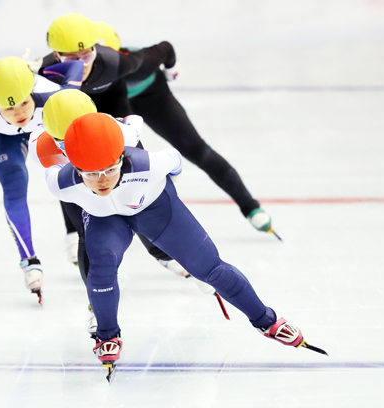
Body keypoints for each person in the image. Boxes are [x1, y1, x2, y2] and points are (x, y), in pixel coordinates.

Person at [44, 113, 326, 378]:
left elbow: (175, 161)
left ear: (121, 158)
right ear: (76, 169)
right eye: (91, 174)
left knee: (209, 269)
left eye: (109, 170)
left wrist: (166, 189)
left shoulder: (148, 164)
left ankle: (267, 320)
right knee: (101, 269)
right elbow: (46, 156)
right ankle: (107, 335)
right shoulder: (60, 183)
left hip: (156, 210)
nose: (102, 180)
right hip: (106, 220)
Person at [39, 14, 277, 238]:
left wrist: (172, 70)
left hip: (151, 94)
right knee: (83, 158)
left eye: (88, 57)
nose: (82, 66)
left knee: (194, 148)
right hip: (109, 102)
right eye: (72, 58)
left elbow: (166, 49)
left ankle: (250, 206)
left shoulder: (128, 63)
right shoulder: (60, 70)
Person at [28, 89, 216, 335]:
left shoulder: (121, 133)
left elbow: (138, 132)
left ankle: (165, 253)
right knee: (87, 235)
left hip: (118, 170)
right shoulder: (40, 146)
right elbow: (62, 184)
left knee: (142, 209)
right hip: (83, 183)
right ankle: (97, 307)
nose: (73, 148)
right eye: (62, 143)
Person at [0, 56, 83, 303]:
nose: (19, 113)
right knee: (14, 183)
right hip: (3, 135)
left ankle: (81, 235)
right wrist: (3, 75)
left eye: (23, 103)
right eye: (9, 108)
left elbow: (75, 66)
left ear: (31, 93)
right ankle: (29, 261)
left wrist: (38, 70)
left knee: (71, 172)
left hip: (47, 122)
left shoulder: (54, 97)